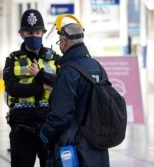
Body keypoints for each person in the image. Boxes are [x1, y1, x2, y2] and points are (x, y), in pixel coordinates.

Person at [39, 15, 110, 166]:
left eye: (59, 42)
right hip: (98, 147)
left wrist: (44, 135)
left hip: (75, 149)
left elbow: (60, 115)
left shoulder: (68, 72)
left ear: (64, 43)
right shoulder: (98, 67)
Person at [3, 9, 61, 167]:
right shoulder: (12, 59)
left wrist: (41, 75)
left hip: (48, 126)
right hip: (21, 127)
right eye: (29, 32)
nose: (33, 36)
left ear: (43, 32)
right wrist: (43, 86)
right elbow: (12, 89)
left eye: (37, 32)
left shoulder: (55, 58)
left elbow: (62, 84)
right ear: (22, 34)